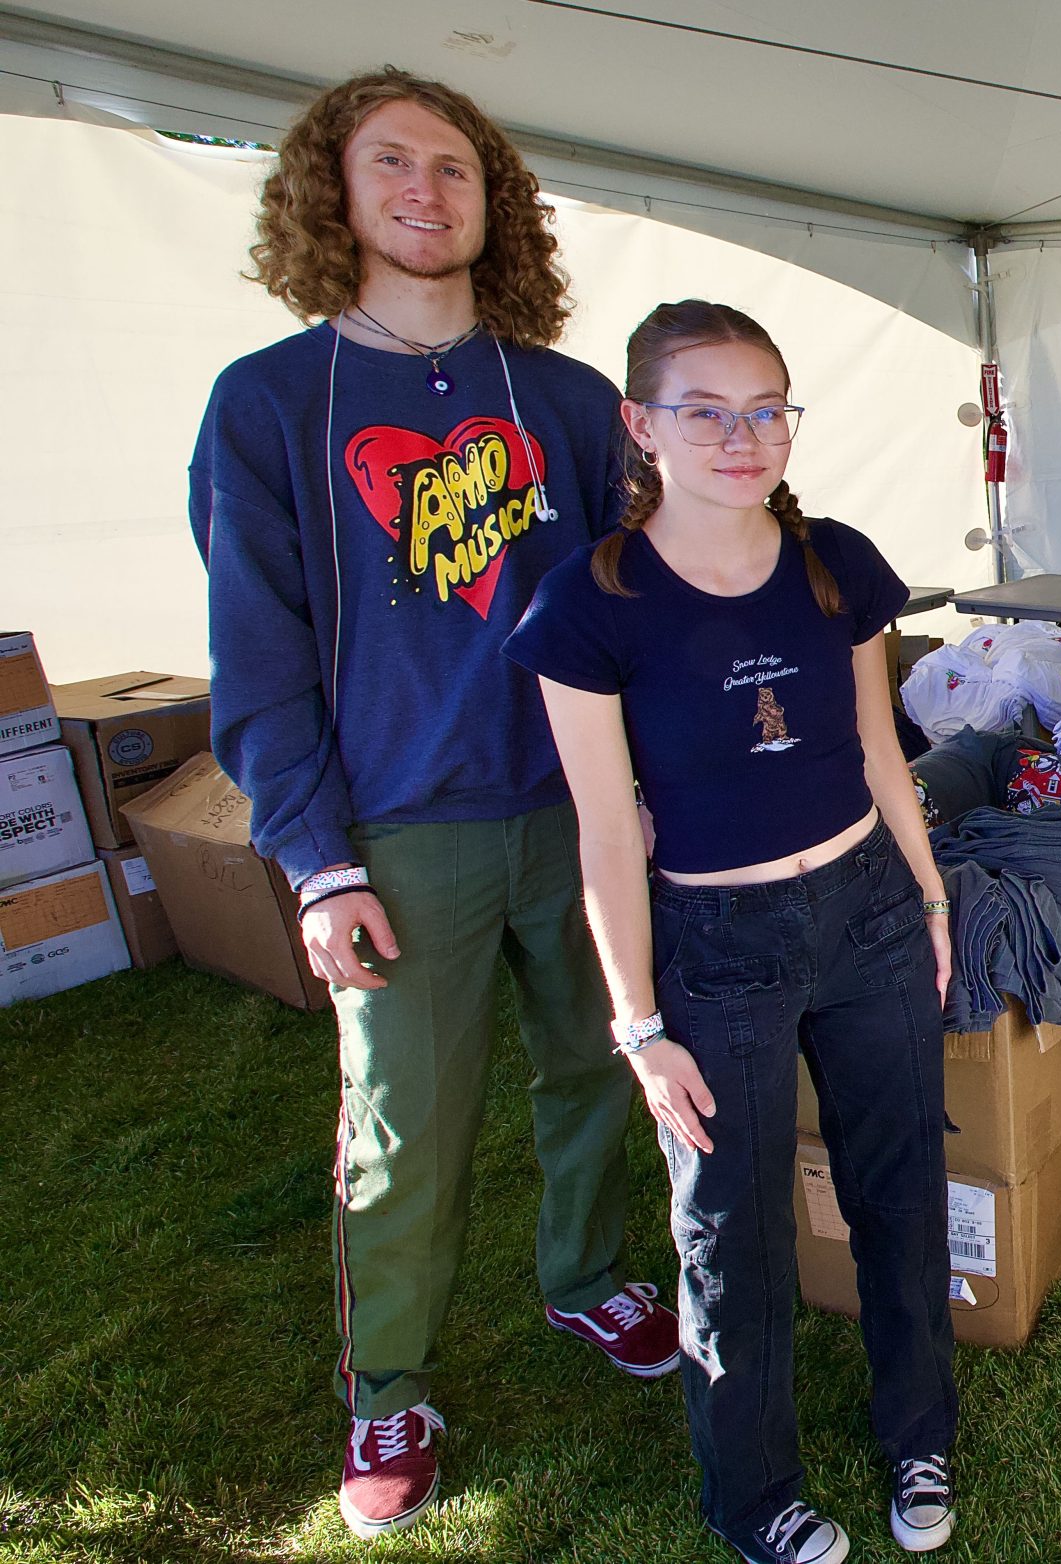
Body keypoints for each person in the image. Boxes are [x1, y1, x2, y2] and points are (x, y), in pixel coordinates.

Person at [188, 69, 676, 1539]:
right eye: (389, 163)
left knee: (604, 1065)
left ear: (493, 199)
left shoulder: (570, 397)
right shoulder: (272, 403)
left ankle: (591, 1282)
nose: (424, 191)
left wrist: (650, 788)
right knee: (407, 1122)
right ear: (330, 196)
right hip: (400, 831)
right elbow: (256, 652)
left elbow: (632, 606)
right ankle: (387, 1385)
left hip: (576, 812)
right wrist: (316, 860)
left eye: (454, 168)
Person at [504, 301, 960, 1562]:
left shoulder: (839, 562)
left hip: (866, 911)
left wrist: (926, 897)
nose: (741, 435)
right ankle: (753, 1492)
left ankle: (918, 1428)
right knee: (731, 1234)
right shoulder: (587, 605)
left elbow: (879, 750)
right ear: (641, 426)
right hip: (715, 944)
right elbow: (604, 832)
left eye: (766, 407)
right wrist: (638, 1025)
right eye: (704, 409)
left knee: (899, 1188)